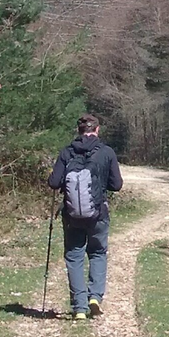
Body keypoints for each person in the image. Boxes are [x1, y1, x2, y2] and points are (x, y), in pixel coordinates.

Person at [48, 114, 123, 320]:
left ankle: (79, 308)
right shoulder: (106, 152)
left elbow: (54, 183)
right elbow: (116, 185)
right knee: (98, 252)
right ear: (97, 130)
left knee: (74, 257)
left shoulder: (67, 152)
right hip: (98, 213)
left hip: (72, 216)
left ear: (79, 131)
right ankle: (95, 297)